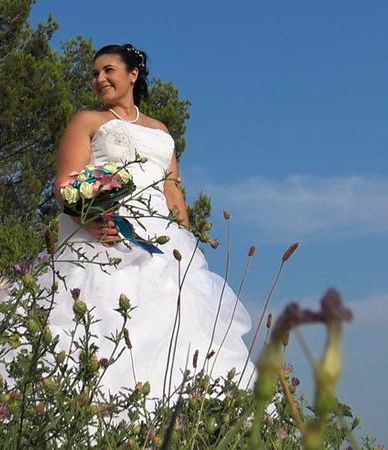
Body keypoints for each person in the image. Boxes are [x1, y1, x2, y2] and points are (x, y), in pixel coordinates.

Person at [44, 44, 256, 400]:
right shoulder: (88, 121)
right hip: (103, 238)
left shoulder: (161, 131)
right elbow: (66, 184)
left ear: (132, 74)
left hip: (160, 245)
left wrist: (187, 248)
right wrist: (92, 219)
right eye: (95, 73)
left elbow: (174, 196)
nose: (100, 79)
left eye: (108, 70)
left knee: (178, 332)